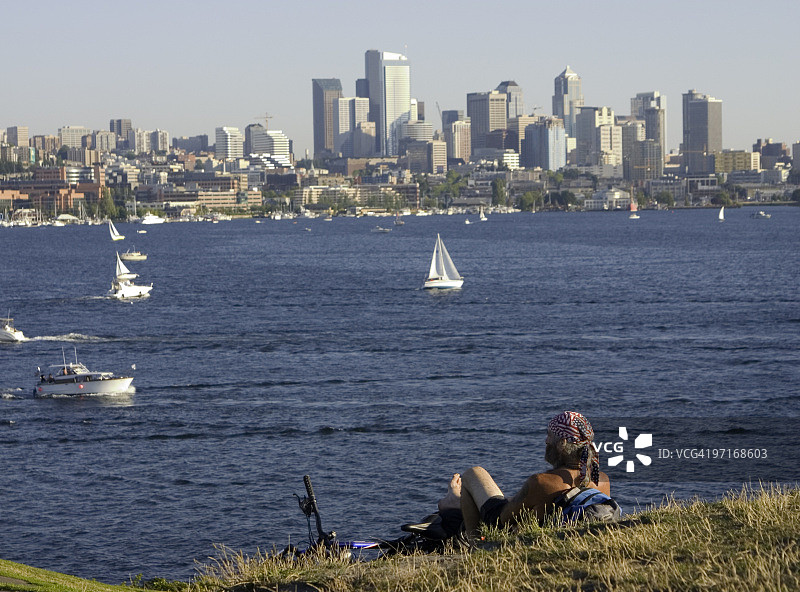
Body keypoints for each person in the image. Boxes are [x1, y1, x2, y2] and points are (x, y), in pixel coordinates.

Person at [437, 411, 611, 535]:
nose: (546, 441)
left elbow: (503, 519)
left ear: (562, 443)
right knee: (524, 500)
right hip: (551, 530)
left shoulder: (541, 482)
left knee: (473, 473)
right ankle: (456, 501)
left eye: (550, 435)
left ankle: (475, 544)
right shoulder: (602, 480)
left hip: (508, 527)